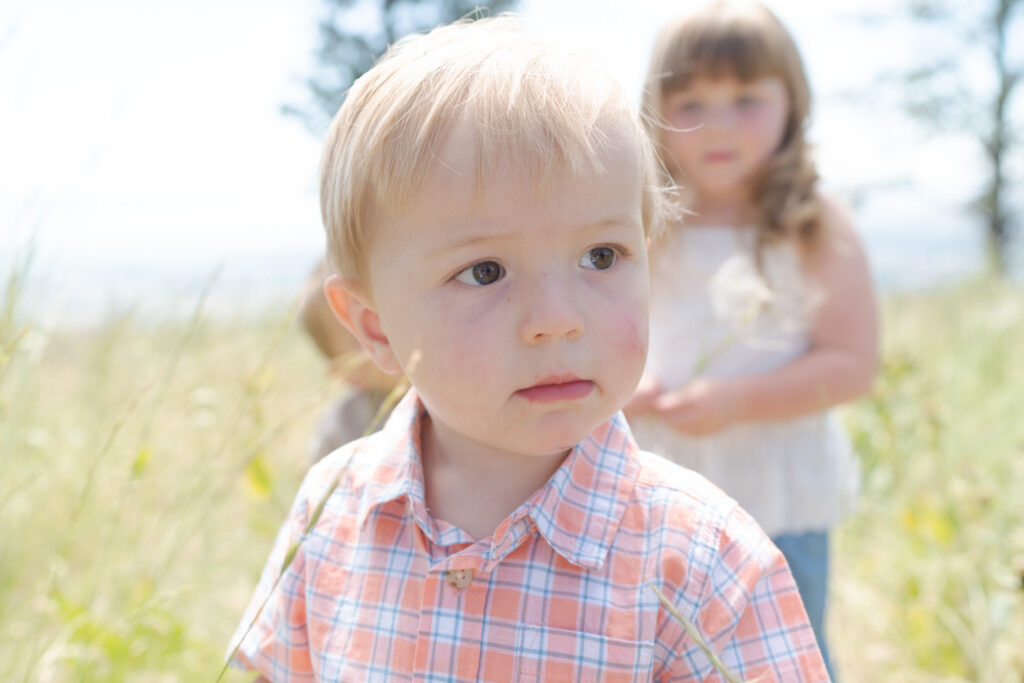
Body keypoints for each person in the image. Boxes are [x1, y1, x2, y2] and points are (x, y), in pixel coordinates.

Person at [228, 15, 828, 681]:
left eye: (602, 256)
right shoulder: (333, 508)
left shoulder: (704, 561)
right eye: (485, 271)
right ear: (374, 328)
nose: (557, 319)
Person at [625, 2, 879, 678]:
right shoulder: (638, 216)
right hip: (658, 483)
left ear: (791, 101)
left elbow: (852, 363)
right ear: (655, 106)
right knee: (654, 650)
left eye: (745, 99)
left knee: (781, 656)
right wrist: (624, 384)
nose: (719, 124)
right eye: (691, 100)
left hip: (776, 492)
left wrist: (737, 400)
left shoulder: (813, 222)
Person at [298, 258, 401, 461]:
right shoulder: (341, 428)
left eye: (388, 312)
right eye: (356, 335)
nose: (383, 330)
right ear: (346, 374)